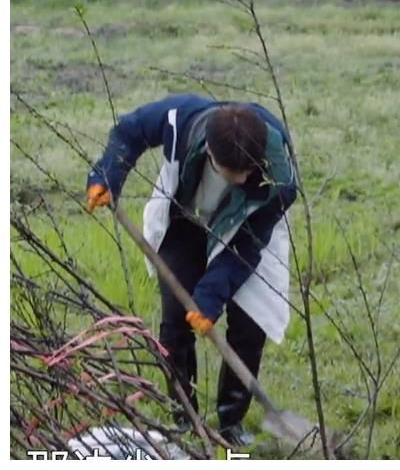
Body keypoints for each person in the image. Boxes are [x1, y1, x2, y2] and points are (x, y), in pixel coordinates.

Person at [86, 94, 297, 446]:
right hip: (186, 218)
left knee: (250, 326)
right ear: (211, 155)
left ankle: (230, 424)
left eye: (250, 171)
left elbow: (246, 247)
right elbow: (129, 130)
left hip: (243, 228)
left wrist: (210, 296)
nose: (246, 178)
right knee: (174, 323)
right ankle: (185, 418)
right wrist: (108, 174)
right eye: (236, 173)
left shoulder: (277, 181)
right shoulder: (181, 121)